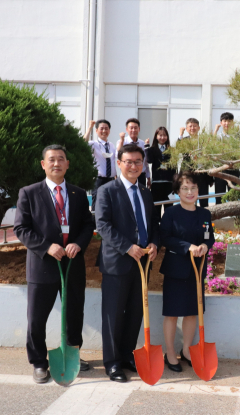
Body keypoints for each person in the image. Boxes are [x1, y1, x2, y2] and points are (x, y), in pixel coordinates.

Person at [13, 144, 95, 384]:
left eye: (61, 159)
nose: (56, 163)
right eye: (52, 160)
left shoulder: (79, 194)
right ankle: (39, 362)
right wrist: (47, 246)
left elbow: (87, 225)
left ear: (67, 164)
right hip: (42, 266)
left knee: (73, 315)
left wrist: (78, 244)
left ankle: (72, 355)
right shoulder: (29, 193)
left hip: (72, 263)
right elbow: (21, 228)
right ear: (43, 164)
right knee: (37, 318)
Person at [95, 143, 160, 382]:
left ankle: (126, 355)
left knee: (135, 312)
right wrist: (127, 247)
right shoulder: (107, 191)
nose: (133, 166)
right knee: (113, 314)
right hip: (116, 263)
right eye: (128, 162)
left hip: (143, 262)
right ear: (119, 163)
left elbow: (154, 224)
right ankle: (112, 363)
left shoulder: (146, 192)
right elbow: (102, 226)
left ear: (143, 165)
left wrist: (153, 243)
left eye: (138, 162)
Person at [158, 171, 215, 372]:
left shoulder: (204, 214)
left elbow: (209, 237)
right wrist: (188, 246)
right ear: (177, 192)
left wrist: (205, 246)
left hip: (197, 270)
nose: (190, 192)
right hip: (176, 270)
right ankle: (170, 353)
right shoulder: (171, 213)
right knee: (172, 313)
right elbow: (165, 237)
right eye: (185, 188)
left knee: (193, 312)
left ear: (198, 190)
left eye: (193, 188)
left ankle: (187, 350)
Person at [178, 118, 214, 208]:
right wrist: (180, 134)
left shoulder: (204, 141)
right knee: (189, 198)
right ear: (186, 129)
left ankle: (204, 221)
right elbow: (179, 150)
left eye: (194, 126)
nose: (192, 128)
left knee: (204, 199)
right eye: (190, 126)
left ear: (198, 128)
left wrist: (210, 178)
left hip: (202, 174)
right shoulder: (184, 140)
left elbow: (209, 158)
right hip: (188, 174)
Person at [83, 119, 116, 213]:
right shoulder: (94, 144)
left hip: (111, 179)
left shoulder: (112, 145)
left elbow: (113, 161)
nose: (104, 131)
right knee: (97, 201)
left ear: (109, 131)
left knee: (110, 201)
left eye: (106, 129)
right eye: (102, 129)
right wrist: (90, 127)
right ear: (96, 130)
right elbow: (83, 142)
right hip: (99, 179)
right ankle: (95, 224)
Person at [145, 127, 175, 221]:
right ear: (156, 136)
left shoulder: (171, 149)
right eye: (160, 135)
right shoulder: (152, 149)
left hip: (169, 183)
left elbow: (174, 167)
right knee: (156, 207)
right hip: (157, 183)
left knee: (169, 207)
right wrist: (146, 146)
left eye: (164, 135)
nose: (162, 137)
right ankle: (156, 230)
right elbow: (149, 160)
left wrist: (175, 181)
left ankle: (168, 227)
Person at [212, 112, 240, 205]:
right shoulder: (218, 136)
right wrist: (215, 131)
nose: (227, 123)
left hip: (233, 169)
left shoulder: (237, 137)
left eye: (229, 121)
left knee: (234, 196)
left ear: (232, 123)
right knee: (219, 196)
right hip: (220, 170)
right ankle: (218, 219)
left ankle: (235, 218)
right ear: (221, 123)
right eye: (224, 121)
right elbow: (211, 147)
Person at [116, 118, 151, 188]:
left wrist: (148, 177)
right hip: (128, 174)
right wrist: (121, 141)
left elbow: (145, 161)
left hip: (141, 175)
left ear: (139, 129)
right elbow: (117, 155)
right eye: (131, 128)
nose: (133, 130)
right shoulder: (122, 141)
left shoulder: (142, 143)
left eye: (135, 128)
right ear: (127, 129)